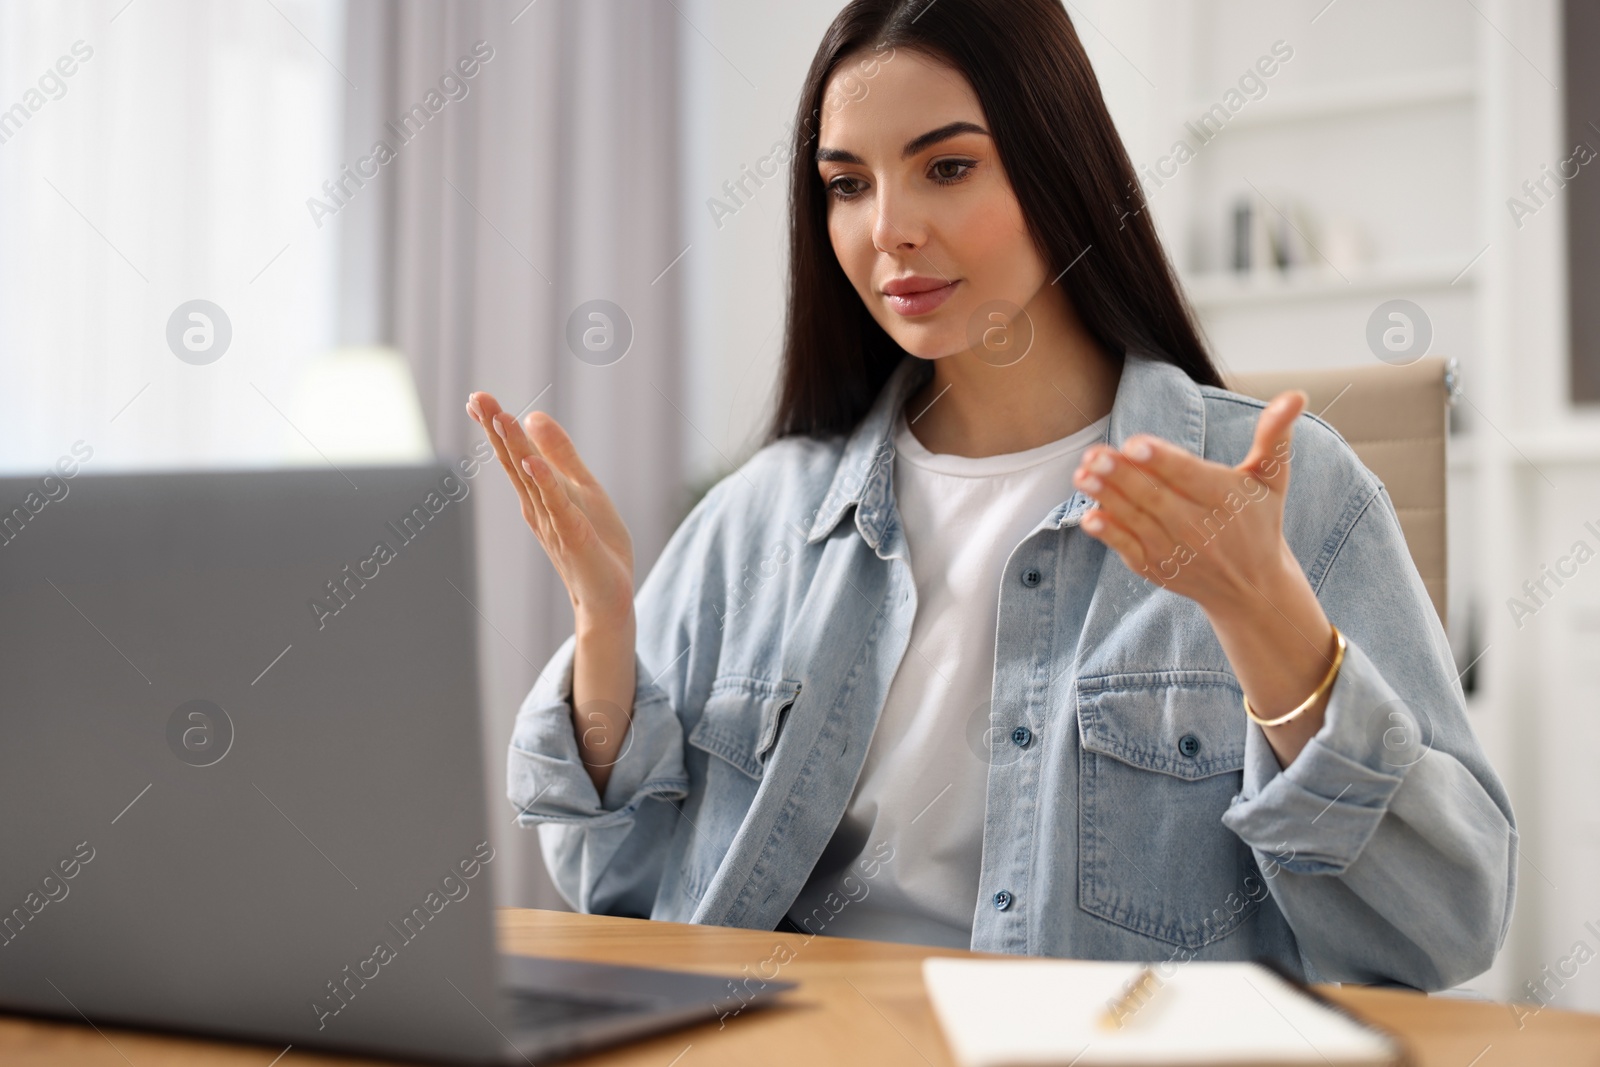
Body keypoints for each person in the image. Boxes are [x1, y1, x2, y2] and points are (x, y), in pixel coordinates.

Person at [468, 0, 1514, 989]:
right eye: (847, 184)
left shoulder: (1286, 490)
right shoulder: (759, 516)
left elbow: (1442, 926)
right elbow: (617, 891)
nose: (889, 230)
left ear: (1058, 169)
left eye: (947, 167)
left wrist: (1265, 620)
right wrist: (606, 631)